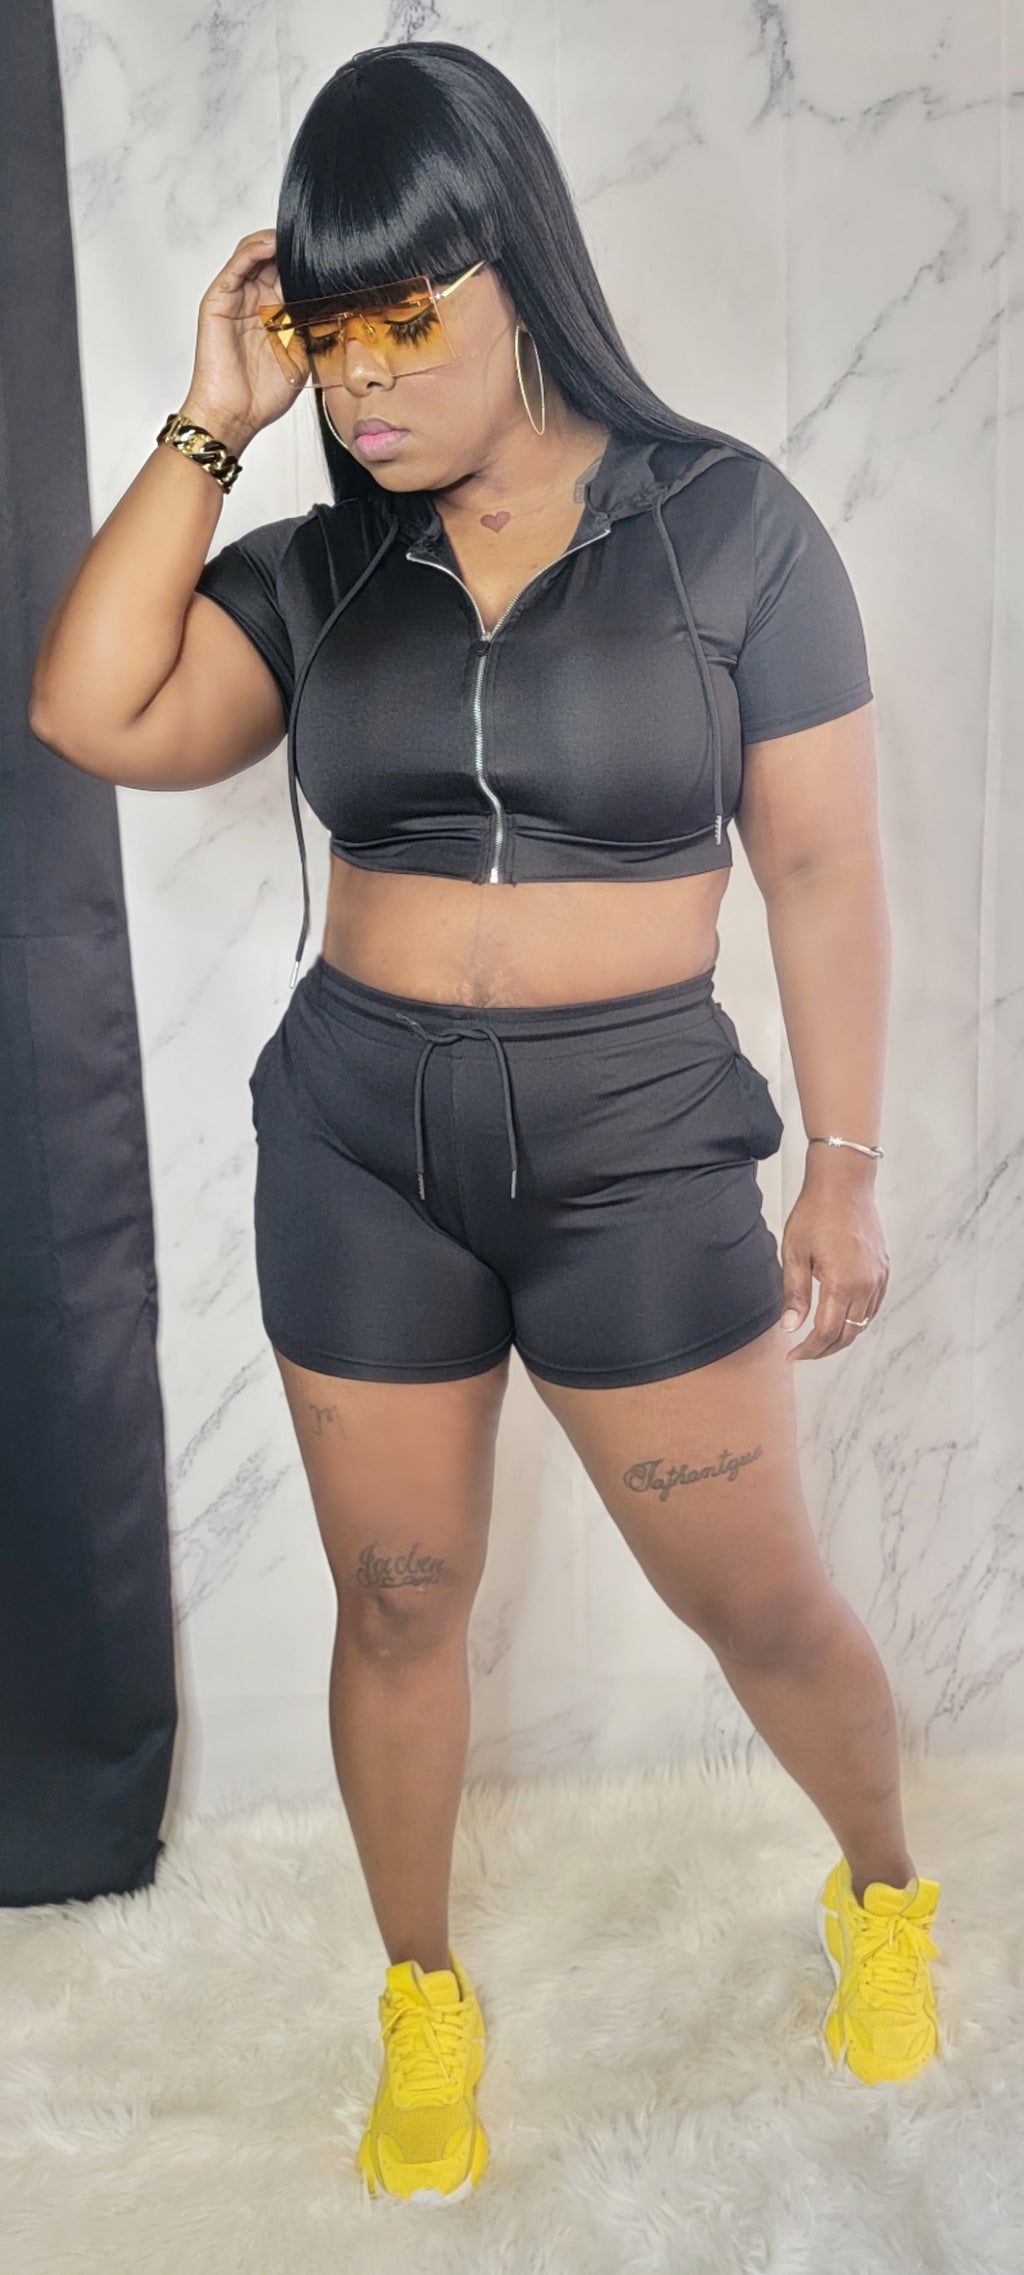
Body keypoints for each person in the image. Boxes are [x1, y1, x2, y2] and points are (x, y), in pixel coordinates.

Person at [29, 37, 942, 2209]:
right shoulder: (323, 566)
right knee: (399, 1603)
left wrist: (839, 1160)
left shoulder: (729, 525)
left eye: (402, 323)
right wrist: (213, 421)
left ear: (516, 271)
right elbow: (91, 706)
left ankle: (885, 1887)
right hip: (362, 1151)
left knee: (761, 1602)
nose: (361, 381)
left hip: (640, 1157)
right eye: (327, 336)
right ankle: (420, 1994)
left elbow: (821, 865)